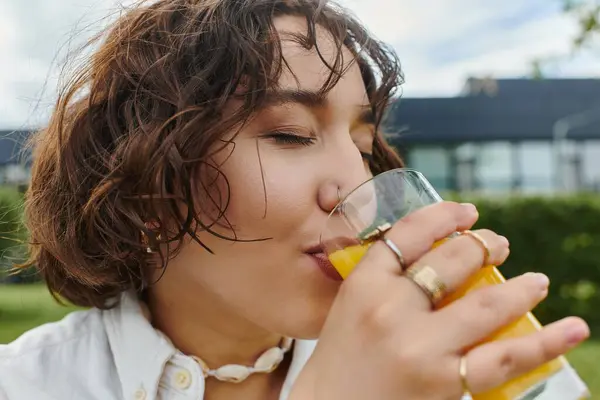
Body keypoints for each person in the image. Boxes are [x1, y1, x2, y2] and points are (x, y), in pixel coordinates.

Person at [0, 0, 589, 399]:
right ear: (144, 180)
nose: (356, 183)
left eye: (363, 144)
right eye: (290, 134)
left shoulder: (453, 360)